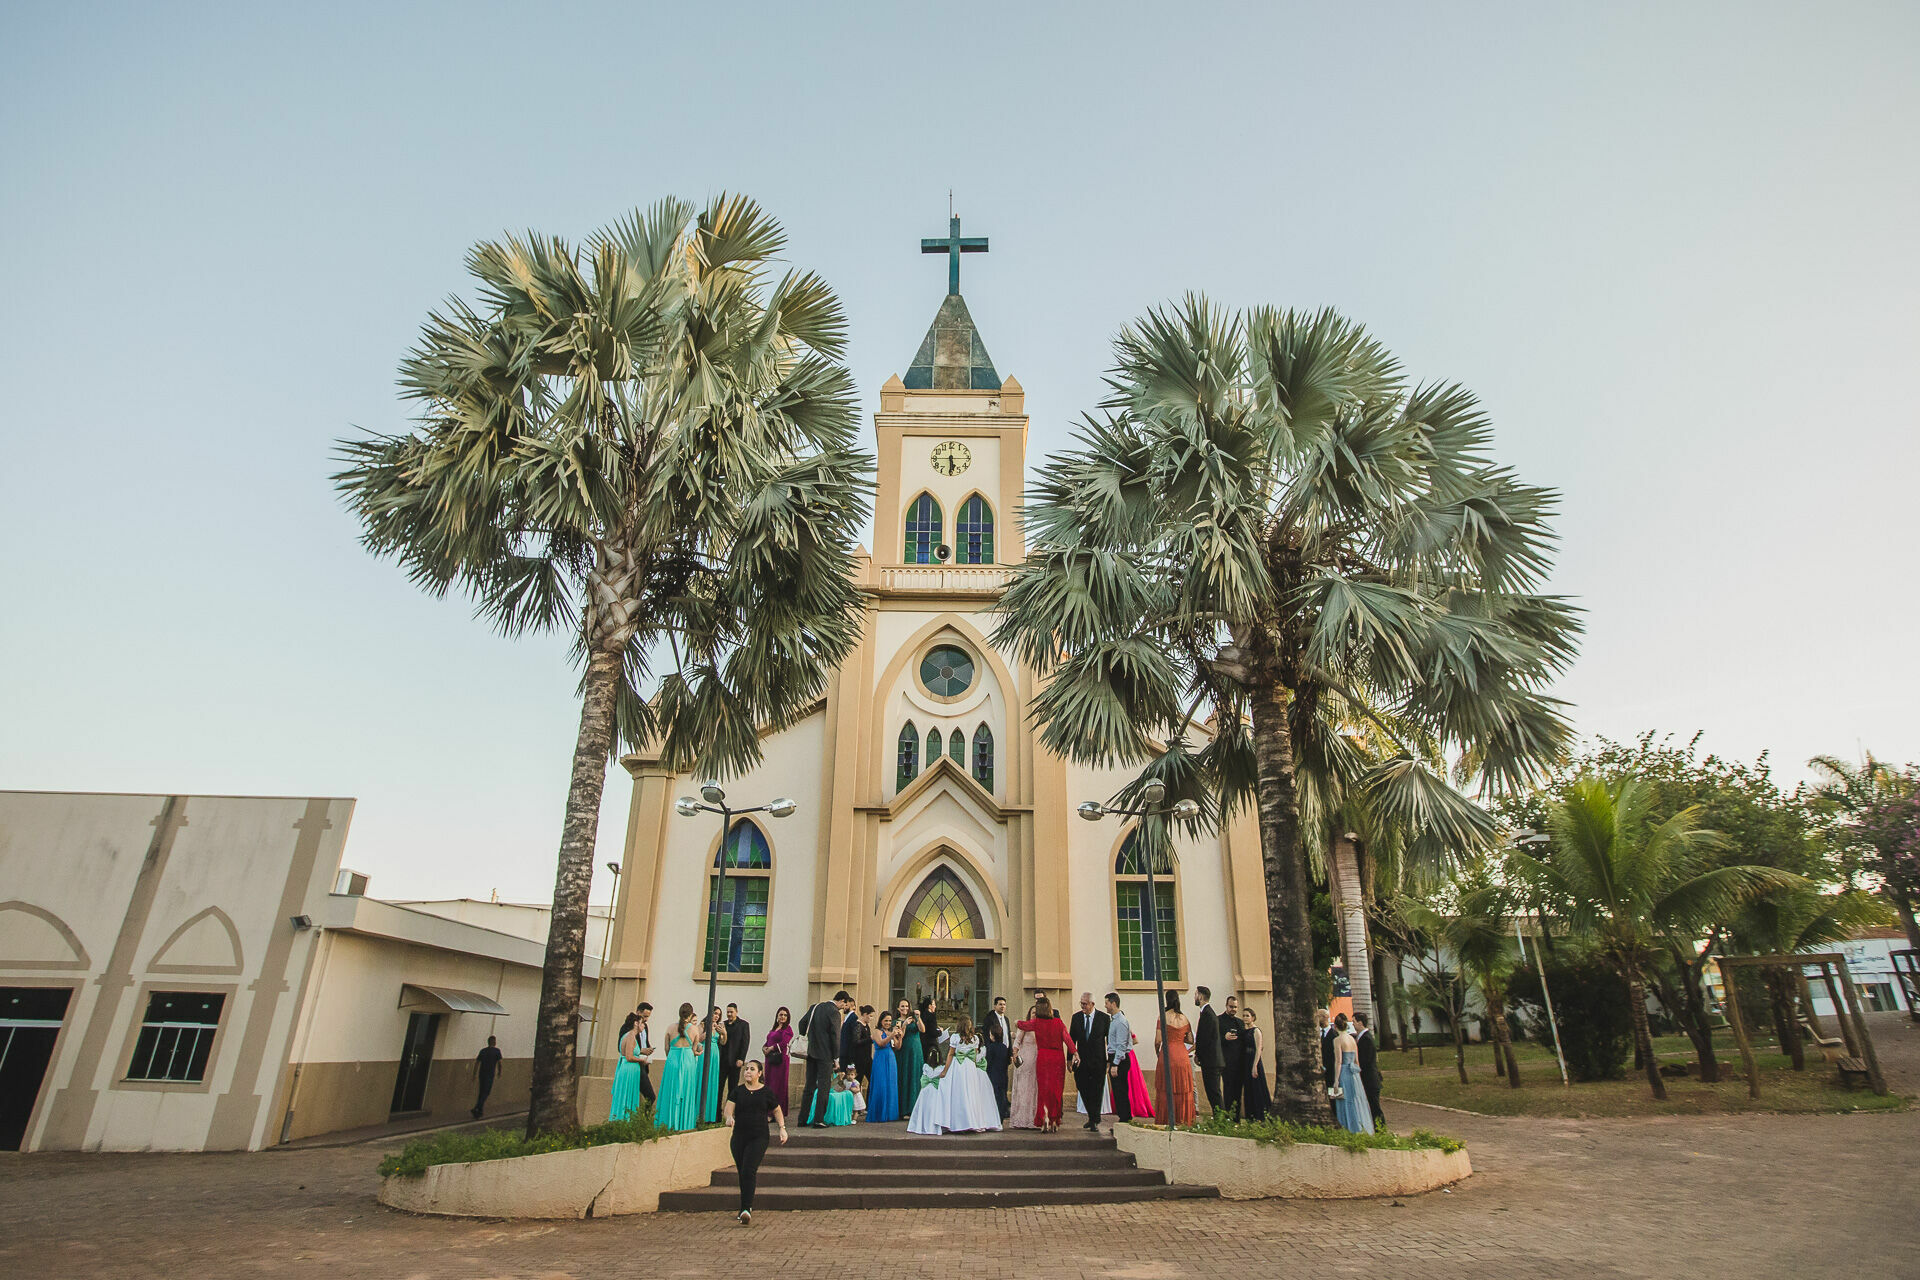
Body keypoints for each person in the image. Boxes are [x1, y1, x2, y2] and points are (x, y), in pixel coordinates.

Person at [908, 1013, 1002, 1134]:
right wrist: (972, 1067)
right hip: (970, 1067)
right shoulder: (975, 1038)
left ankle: (957, 1122)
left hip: (958, 1066)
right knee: (970, 1093)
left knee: (957, 1093)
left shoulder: (955, 1038)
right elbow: (973, 1056)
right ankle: (972, 1121)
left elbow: (950, 1055)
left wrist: (945, 1070)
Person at [723, 1058, 786, 1226]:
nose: (748, 1072)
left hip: (759, 1137)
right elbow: (729, 1109)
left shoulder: (766, 1092)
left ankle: (746, 1208)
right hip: (739, 1137)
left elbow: (777, 1109)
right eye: (746, 1069)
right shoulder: (738, 1091)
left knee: (749, 1170)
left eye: (752, 1069)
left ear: (759, 1073)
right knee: (742, 1171)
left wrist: (782, 1128)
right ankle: (744, 1207)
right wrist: (729, 1117)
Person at [1016, 996, 1071, 1131]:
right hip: (1057, 1059)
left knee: (1043, 1091)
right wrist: (1075, 1053)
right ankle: (1054, 1120)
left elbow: (1022, 1025)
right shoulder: (1058, 1022)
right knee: (1056, 1091)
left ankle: (1045, 1117)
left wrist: (1016, 1022)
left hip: (1043, 1058)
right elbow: (1067, 1039)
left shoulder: (1036, 1023)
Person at [797, 990, 850, 1129]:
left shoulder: (815, 1007)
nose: (844, 1008)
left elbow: (802, 1024)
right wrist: (836, 1057)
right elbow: (835, 1037)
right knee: (823, 1087)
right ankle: (818, 1119)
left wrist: (811, 1038)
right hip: (825, 1055)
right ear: (842, 1001)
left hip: (811, 1052)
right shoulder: (834, 1012)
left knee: (809, 1086)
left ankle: (802, 1118)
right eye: (845, 1005)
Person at [655, 1003, 702, 1132]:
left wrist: (671, 1058)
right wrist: (697, 1052)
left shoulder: (670, 1027)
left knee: (670, 1090)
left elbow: (666, 1048)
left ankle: (667, 1123)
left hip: (672, 1060)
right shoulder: (694, 1029)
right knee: (686, 1091)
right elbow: (694, 1049)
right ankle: (684, 1124)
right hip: (688, 1061)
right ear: (691, 1014)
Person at [1070, 991, 1111, 1129]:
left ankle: (1094, 1119)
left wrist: (1110, 1061)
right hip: (1081, 1061)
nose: (1082, 1006)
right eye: (1081, 1003)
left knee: (1097, 1090)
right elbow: (1071, 1040)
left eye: (1085, 1004)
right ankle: (1092, 1115)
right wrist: (1069, 1059)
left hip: (1098, 1061)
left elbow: (1109, 1041)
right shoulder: (1076, 1018)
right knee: (1082, 1086)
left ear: (1092, 1004)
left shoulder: (1104, 1018)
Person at [1155, 991, 1196, 1126]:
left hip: (1167, 1054)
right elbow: (1190, 1040)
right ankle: (1183, 1120)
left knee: (1166, 1089)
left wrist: (1158, 1053)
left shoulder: (1163, 1017)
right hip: (1182, 1055)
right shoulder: (1184, 1018)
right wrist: (1180, 1038)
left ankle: (1166, 1120)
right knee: (1183, 1088)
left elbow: (1158, 1040)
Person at [1331, 1014, 1373, 1135]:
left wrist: (1336, 1080)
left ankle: (1347, 1128)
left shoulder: (1337, 1040)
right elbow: (1356, 1061)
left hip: (1343, 1073)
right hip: (1354, 1074)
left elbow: (1338, 1062)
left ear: (1335, 1026)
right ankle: (1360, 1127)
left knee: (1343, 1101)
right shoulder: (1352, 1039)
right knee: (1356, 1100)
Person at [1102, 994, 1134, 1125]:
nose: (1105, 1006)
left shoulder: (1121, 1021)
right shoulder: (1113, 1020)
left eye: (1107, 1003)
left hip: (1119, 1059)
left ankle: (1125, 1118)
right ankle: (1123, 1117)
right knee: (1117, 1090)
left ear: (1113, 1003)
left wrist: (1115, 1063)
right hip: (1114, 1057)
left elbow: (1122, 1044)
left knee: (1120, 1090)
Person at [609, 1016, 648, 1122]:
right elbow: (629, 1057)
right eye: (641, 1023)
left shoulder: (628, 1035)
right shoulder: (631, 1036)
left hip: (628, 1069)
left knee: (625, 1095)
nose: (643, 1025)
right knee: (626, 1095)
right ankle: (624, 1120)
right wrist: (642, 1060)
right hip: (629, 1069)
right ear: (636, 1023)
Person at [1192, 986, 1224, 1114]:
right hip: (1211, 1060)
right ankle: (1219, 1116)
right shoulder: (1207, 1013)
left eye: (1195, 994)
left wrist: (1198, 1054)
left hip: (1211, 1061)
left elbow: (1205, 1038)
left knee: (1214, 1091)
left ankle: (1221, 1118)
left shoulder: (1208, 1014)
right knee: (1212, 1091)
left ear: (1200, 996)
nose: (1194, 997)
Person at [1008, 1005, 1040, 1129]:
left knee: (1034, 1089)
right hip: (1025, 1061)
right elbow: (1017, 1042)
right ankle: (1021, 1119)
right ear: (1029, 1014)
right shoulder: (1024, 1026)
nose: (1035, 1014)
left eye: (1037, 1013)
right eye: (1033, 1012)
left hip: (1037, 1060)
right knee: (1023, 1089)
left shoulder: (1040, 1026)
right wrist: (1015, 1054)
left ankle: (1034, 1119)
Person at [1354, 1011, 1386, 1128]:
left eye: (1354, 1022)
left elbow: (1366, 1060)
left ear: (1360, 1023)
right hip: (1367, 1079)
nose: (1353, 1024)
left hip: (1370, 1079)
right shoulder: (1361, 1037)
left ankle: (1381, 1129)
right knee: (1371, 1106)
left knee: (1375, 1106)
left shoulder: (1366, 1038)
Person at [981, 1001, 1011, 1121]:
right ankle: (998, 1112)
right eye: (1000, 1004)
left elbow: (1007, 1035)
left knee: (1002, 1088)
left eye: (1004, 1004)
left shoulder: (1006, 1019)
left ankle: (1002, 1110)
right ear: (994, 1006)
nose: (1003, 1006)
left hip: (1003, 1056)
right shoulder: (989, 1019)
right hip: (995, 1056)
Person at [868, 1010, 900, 1122]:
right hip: (880, 1058)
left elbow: (898, 1046)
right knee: (880, 1084)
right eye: (886, 1020)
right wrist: (891, 1035)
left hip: (891, 1058)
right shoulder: (877, 1031)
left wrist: (899, 1036)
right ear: (881, 1021)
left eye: (890, 1021)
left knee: (890, 1084)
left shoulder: (891, 1032)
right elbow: (881, 1043)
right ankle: (878, 1113)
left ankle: (889, 1113)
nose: (888, 1023)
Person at [1240, 1007, 1271, 1120]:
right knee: (1248, 1090)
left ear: (1253, 1017)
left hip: (1254, 1061)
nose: (1245, 1018)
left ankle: (1261, 1115)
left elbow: (1259, 1049)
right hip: (1245, 1061)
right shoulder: (1244, 1030)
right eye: (1243, 1015)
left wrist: (1254, 1066)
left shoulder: (1256, 1031)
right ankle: (1250, 1115)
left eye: (1247, 1016)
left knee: (1257, 1088)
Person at [762, 1007, 793, 1115]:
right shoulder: (774, 1028)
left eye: (785, 1015)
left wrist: (771, 1048)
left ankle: (774, 1112)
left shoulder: (787, 1029)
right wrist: (765, 1047)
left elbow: (784, 1042)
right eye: (781, 1015)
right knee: (769, 1084)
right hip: (770, 1059)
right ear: (777, 1016)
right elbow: (768, 1041)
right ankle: (768, 1109)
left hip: (780, 1061)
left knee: (777, 1085)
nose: (782, 1017)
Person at [1219, 995, 1246, 1119]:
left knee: (1238, 1091)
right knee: (1228, 1090)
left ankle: (1237, 1118)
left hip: (1239, 1063)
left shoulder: (1240, 1023)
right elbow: (1214, 1040)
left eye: (1235, 1007)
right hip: (1226, 1062)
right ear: (1226, 1006)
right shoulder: (1219, 1020)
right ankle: (1227, 1116)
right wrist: (1224, 1038)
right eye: (1231, 1007)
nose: (1233, 1009)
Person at [896, 998, 923, 1117]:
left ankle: (915, 1109)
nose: (905, 1008)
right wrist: (904, 1025)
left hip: (916, 1050)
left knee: (915, 1076)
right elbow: (900, 1036)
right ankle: (903, 1109)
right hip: (903, 1050)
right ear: (898, 1008)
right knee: (904, 1076)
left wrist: (919, 1017)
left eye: (906, 1006)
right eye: (902, 1006)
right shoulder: (896, 1021)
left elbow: (922, 1030)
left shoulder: (914, 1019)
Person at [700, 1007, 727, 1123]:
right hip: (705, 1052)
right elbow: (699, 1039)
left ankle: (710, 1116)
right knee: (702, 1080)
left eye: (718, 1014)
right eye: (715, 1013)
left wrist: (724, 1033)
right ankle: (699, 1113)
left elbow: (723, 1042)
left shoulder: (720, 1026)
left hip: (715, 1054)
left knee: (712, 1082)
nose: (716, 1016)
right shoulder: (703, 1024)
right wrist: (708, 1030)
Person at [471, 1034, 504, 1119]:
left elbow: (477, 1063)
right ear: (494, 1042)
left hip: (482, 1074)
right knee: (486, 1092)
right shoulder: (497, 1051)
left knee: (481, 1091)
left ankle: (479, 1111)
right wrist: (500, 1072)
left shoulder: (483, 1051)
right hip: (490, 1074)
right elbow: (500, 1063)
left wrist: (474, 1074)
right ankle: (477, 1107)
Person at [840, 1001, 872, 1083]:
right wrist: (870, 1039)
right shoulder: (857, 1024)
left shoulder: (866, 1026)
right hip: (859, 1058)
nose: (871, 1018)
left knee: (872, 1079)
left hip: (867, 1058)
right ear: (865, 1015)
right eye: (870, 1016)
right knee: (857, 1081)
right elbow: (856, 1041)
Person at [1317, 1008, 1339, 1124]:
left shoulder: (1334, 1035)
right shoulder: (1318, 1034)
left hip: (1332, 1071)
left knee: (1334, 1097)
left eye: (1318, 1016)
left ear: (1325, 1017)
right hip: (1322, 1072)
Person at [722, 1003, 751, 1089]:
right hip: (723, 1060)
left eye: (731, 1012)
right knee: (719, 1086)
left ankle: (731, 1103)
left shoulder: (743, 1025)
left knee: (733, 1086)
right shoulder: (723, 1024)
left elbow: (745, 1043)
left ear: (736, 1012)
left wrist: (741, 1058)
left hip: (735, 1061)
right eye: (728, 1012)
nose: (729, 1014)